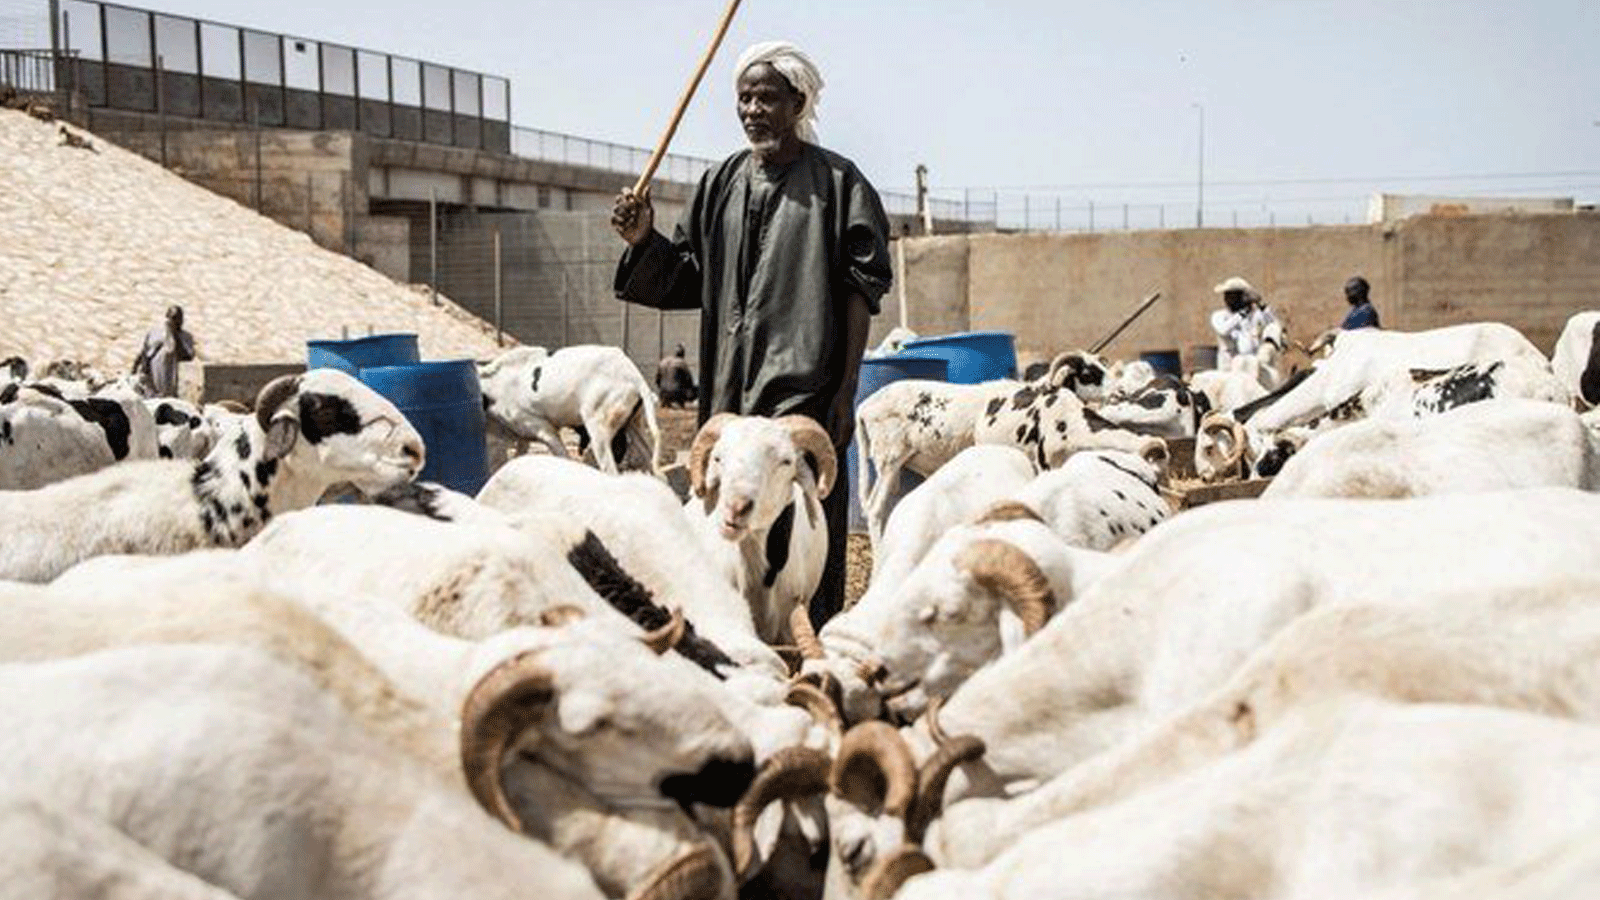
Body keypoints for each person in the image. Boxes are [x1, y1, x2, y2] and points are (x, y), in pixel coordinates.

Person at [610, 41, 892, 627]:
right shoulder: (718, 184)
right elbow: (686, 278)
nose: (753, 110)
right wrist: (644, 242)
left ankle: (811, 636)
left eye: (767, 98)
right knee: (728, 520)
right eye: (744, 98)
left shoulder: (840, 185)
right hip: (730, 397)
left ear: (798, 102)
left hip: (805, 394)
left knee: (804, 521)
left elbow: (859, 290)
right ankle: (731, 631)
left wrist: (844, 393)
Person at [1209, 275, 1278, 369]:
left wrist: (1261, 305)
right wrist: (1242, 314)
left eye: (1234, 296)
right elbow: (1223, 330)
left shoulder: (1253, 316)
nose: (1228, 299)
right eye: (1227, 296)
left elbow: (1272, 324)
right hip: (1228, 368)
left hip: (1252, 366)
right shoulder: (1219, 315)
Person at [131, 305, 195, 397]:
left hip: (170, 380)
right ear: (167, 318)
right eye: (173, 318)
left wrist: (175, 335)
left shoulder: (185, 337)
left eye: (178, 319)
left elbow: (187, 356)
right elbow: (145, 352)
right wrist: (136, 369)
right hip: (152, 377)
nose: (176, 322)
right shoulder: (156, 333)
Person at [656, 343, 698, 408]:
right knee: (696, 389)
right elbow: (689, 381)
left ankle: (665, 401)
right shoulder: (681, 363)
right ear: (683, 354)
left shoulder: (663, 361)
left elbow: (657, 381)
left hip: (662, 393)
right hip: (676, 394)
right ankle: (680, 403)